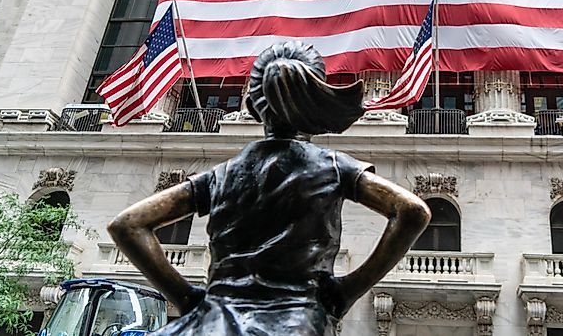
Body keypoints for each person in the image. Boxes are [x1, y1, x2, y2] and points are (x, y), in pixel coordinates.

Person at [108, 41, 431, 335]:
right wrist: (349, 289)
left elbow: (128, 224)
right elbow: (412, 210)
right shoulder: (333, 166)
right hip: (297, 320)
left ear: (251, 103)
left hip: (215, 318)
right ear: (316, 102)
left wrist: (188, 298)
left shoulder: (222, 174)